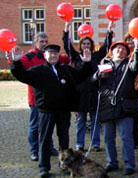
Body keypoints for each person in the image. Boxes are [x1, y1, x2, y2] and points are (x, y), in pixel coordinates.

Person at [9, 44, 93, 178]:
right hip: (46, 111)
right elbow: (22, 75)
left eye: (55, 53)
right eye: (50, 53)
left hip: (63, 111)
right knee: (45, 139)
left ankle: (66, 165)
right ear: (45, 55)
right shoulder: (38, 70)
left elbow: (81, 76)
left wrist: (87, 63)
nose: (53, 56)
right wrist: (16, 62)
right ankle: (44, 168)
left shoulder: (66, 70)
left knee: (64, 139)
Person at [93, 39, 138, 175]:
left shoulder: (129, 64)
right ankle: (112, 162)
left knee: (126, 137)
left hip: (124, 107)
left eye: (123, 49)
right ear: (112, 50)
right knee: (108, 138)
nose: (120, 50)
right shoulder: (105, 64)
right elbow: (93, 81)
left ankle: (129, 164)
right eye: (117, 48)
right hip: (107, 106)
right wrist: (97, 76)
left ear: (127, 53)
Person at [63, 21, 114, 152]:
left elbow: (106, 47)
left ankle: (95, 143)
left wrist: (109, 31)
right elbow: (67, 46)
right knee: (80, 120)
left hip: (94, 92)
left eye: (88, 44)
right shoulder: (77, 57)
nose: (86, 46)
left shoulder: (96, 56)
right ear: (81, 45)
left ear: (91, 45)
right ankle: (79, 144)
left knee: (95, 119)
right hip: (80, 93)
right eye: (84, 44)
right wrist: (66, 31)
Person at [17, 32, 69, 161]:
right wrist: (13, 60)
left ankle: (50, 148)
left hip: (54, 103)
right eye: (42, 41)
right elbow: (19, 70)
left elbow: (69, 58)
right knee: (36, 126)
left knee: (49, 127)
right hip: (36, 100)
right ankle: (34, 150)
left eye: (46, 41)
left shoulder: (53, 58)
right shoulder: (29, 57)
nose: (44, 43)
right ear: (35, 43)